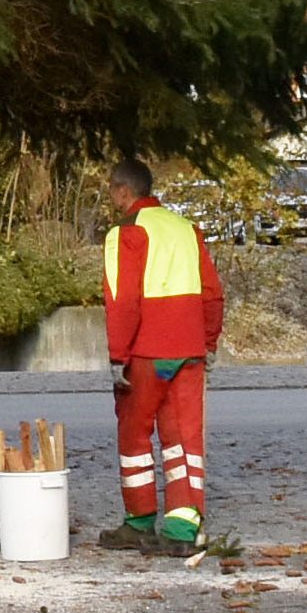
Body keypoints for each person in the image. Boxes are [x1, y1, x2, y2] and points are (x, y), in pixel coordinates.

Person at [99, 159, 228, 557]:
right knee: (184, 438)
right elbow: (212, 293)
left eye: (111, 191)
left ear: (124, 192)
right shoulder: (187, 229)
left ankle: (139, 521)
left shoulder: (127, 233)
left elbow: (123, 301)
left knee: (136, 434)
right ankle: (182, 528)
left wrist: (117, 355)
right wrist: (207, 341)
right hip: (188, 350)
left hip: (146, 352)